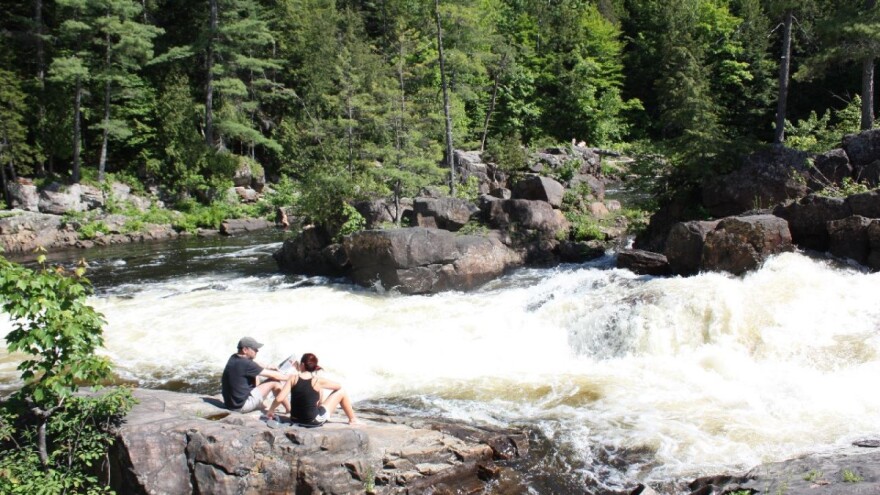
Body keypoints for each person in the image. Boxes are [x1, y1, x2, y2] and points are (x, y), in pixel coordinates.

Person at [266, 352, 358, 425]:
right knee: (341, 392)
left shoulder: (293, 378)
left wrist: (271, 411)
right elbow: (338, 386)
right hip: (312, 421)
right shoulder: (317, 380)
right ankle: (353, 419)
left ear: (302, 365)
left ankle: (351, 419)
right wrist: (321, 386)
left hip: (295, 419)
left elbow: (279, 398)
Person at [221, 336, 295, 414]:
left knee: (256, 375)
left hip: (231, 404)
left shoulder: (234, 357)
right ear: (245, 350)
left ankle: (260, 403)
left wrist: (268, 366)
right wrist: (292, 378)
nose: (257, 351)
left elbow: (254, 363)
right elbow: (274, 376)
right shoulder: (247, 364)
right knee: (274, 382)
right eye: (255, 349)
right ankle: (290, 410)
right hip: (241, 406)